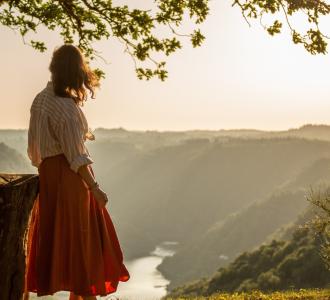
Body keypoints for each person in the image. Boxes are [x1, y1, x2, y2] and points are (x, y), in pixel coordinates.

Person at [24, 44, 130, 300]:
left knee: (65, 242)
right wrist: (95, 188)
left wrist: (48, 170)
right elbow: (76, 157)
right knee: (82, 244)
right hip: (71, 179)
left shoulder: (40, 99)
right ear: (75, 72)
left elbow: (34, 150)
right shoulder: (65, 108)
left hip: (49, 176)